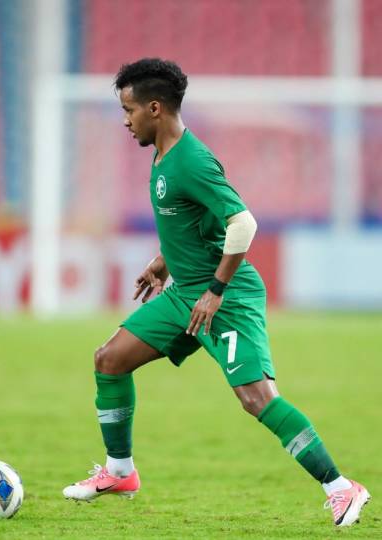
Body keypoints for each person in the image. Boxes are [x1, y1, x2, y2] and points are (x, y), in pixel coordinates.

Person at [62, 58, 370, 527]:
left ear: (155, 108)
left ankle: (341, 487)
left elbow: (242, 224)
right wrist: (164, 261)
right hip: (185, 292)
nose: (125, 120)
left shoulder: (191, 162)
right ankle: (120, 471)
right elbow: (194, 221)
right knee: (110, 359)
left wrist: (216, 289)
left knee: (257, 398)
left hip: (224, 298)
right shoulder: (163, 155)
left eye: (129, 109)